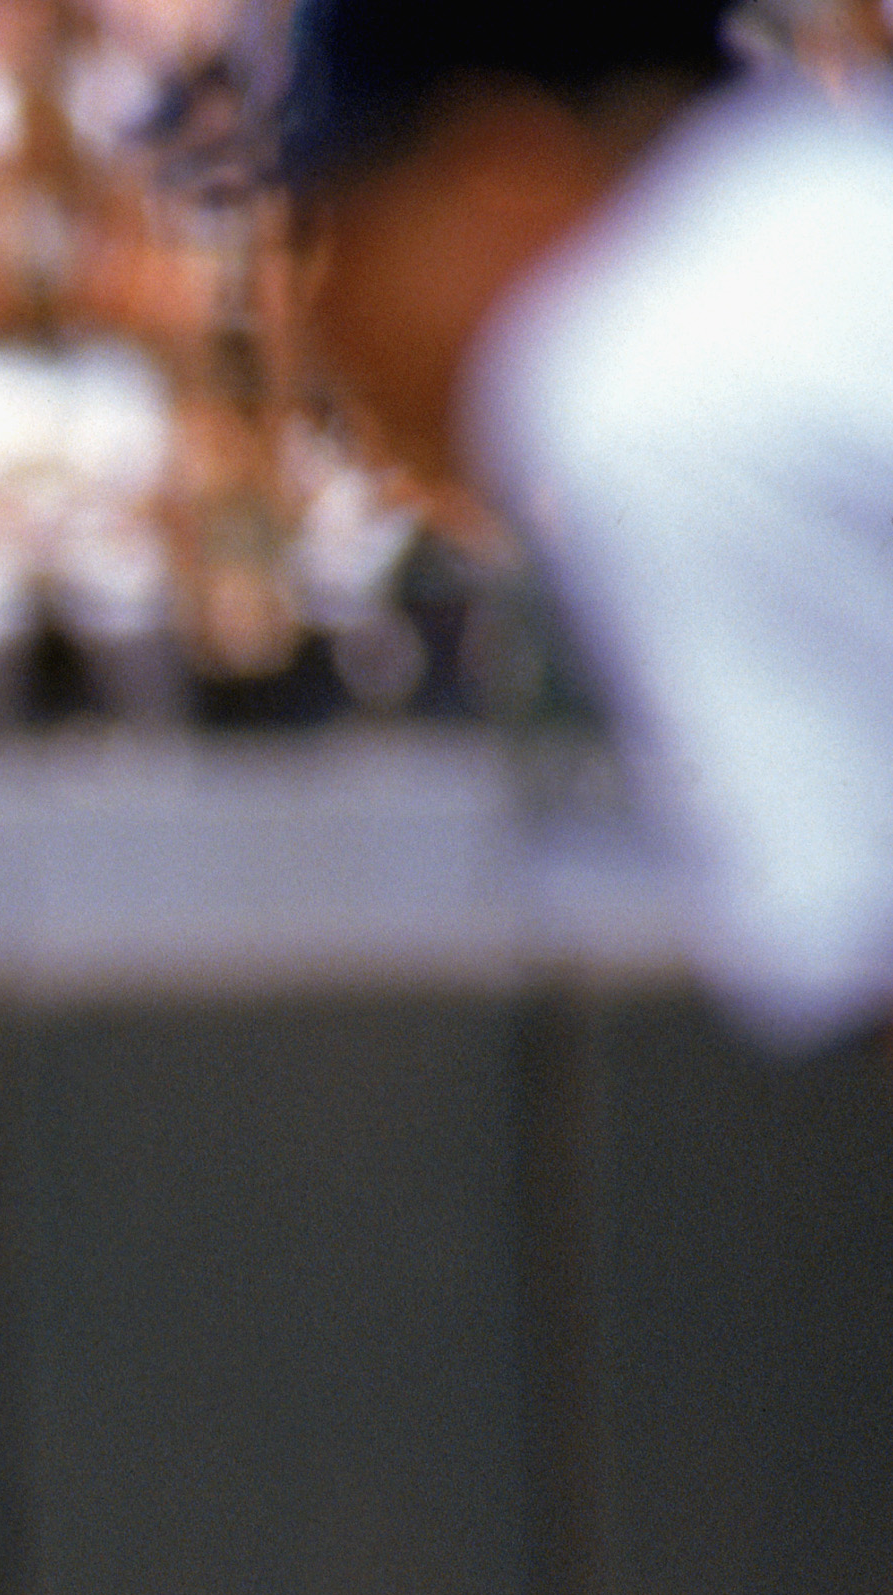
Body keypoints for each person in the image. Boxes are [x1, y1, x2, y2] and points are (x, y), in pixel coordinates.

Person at [287, 0, 893, 1053]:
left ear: (493, 167)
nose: (327, 306)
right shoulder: (831, 199)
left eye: (347, 219)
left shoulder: (654, 379)